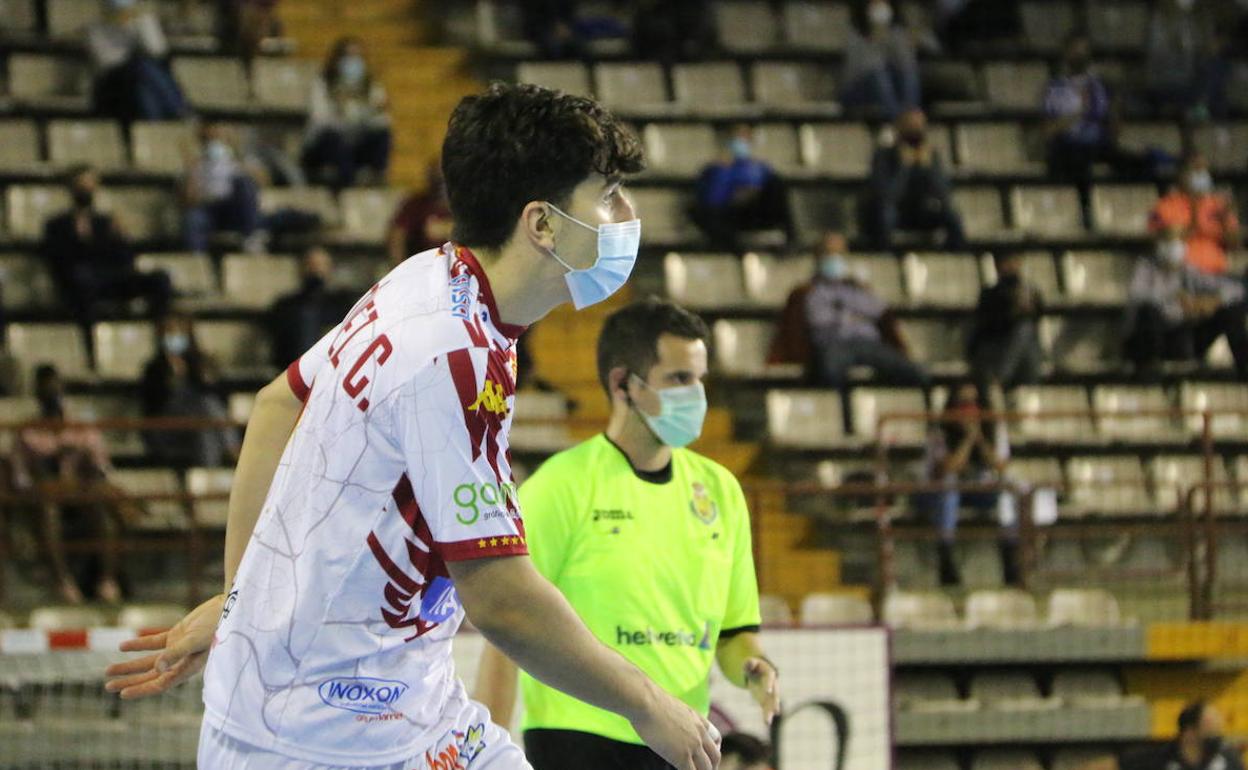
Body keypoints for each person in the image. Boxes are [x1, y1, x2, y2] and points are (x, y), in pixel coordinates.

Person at [105, 83, 722, 770]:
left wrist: (243, 602)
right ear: (542, 225)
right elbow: (501, 599)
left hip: (418, 710)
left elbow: (278, 404)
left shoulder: (432, 279)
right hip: (313, 741)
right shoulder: (450, 353)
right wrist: (646, 703)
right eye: (606, 194)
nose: (627, 214)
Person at [474, 298, 778, 770]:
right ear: (622, 384)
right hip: (577, 737)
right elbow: (511, 628)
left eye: (699, 379)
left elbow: (736, 633)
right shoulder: (560, 487)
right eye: (679, 379)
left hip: (684, 737)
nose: (696, 394)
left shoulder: (721, 492)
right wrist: (482, 751)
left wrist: (753, 667)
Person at [9, 365, 138, 604]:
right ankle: (63, 582)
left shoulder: (82, 428)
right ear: (37, 395)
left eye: (55, 389)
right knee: (49, 513)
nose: (52, 395)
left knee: (106, 515)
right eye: (46, 390)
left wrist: (84, 470)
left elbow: (103, 469)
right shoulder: (27, 432)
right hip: (46, 501)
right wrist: (44, 485)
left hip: (82, 498)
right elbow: (20, 480)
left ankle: (107, 582)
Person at [41, 165, 173, 367]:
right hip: (80, 283)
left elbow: (126, 260)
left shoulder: (106, 222)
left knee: (160, 279)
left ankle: (161, 344)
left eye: (90, 184)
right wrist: (79, 240)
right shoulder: (56, 224)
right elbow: (56, 261)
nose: (86, 189)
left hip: (112, 278)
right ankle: (92, 353)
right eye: (81, 184)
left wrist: (122, 237)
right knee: (81, 282)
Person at [769, 231, 927, 389]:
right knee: (829, 372)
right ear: (818, 257)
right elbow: (818, 321)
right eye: (829, 254)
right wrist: (854, 317)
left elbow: (879, 311)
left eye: (839, 254)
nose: (834, 259)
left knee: (914, 372)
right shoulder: (806, 293)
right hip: (833, 345)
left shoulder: (859, 288)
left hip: (868, 344)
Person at [921, 380, 1018, 587]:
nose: (969, 407)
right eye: (963, 402)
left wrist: (980, 438)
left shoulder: (993, 428)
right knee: (949, 488)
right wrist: (967, 439)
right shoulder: (940, 432)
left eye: (974, 402)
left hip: (980, 492)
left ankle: (1010, 558)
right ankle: (946, 556)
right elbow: (947, 468)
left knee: (1008, 488)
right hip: (943, 494)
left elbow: (1000, 466)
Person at [1125, 232, 1248, 380]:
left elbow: (1236, 290)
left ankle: (1244, 368)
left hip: (1184, 339)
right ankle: (1149, 372)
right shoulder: (1145, 268)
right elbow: (1139, 298)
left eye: (1179, 241)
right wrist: (1178, 302)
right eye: (1170, 240)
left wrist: (1212, 301)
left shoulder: (1187, 271)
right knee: (1148, 313)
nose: (1175, 247)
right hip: (1157, 339)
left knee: (1232, 310)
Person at [139, 314, 239, 467]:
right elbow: (151, 406)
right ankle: (232, 448)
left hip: (197, 424)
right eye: (169, 333)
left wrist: (205, 379)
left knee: (204, 428)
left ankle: (209, 478)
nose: (174, 338)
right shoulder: (153, 369)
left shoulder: (200, 364)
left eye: (178, 333)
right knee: (207, 406)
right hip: (167, 427)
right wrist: (171, 379)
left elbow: (223, 399)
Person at [863, 109, 966, 250]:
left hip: (920, 211)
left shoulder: (931, 155)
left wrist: (928, 168)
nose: (916, 131)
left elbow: (943, 194)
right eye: (911, 126)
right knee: (885, 215)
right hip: (895, 212)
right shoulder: (883, 156)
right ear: (899, 128)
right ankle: (885, 257)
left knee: (951, 215)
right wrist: (904, 166)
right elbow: (887, 196)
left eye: (919, 126)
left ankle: (956, 256)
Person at [301, 37, 393, 190]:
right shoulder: (323, 84)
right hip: (327, 145)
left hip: (356, 143)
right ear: (337, 59)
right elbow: (319, 121)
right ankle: (345, 187)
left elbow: (383, 120)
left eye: (357, 57)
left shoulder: (371, 86)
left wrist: (371, 111)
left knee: (382, 134)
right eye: (348, 57)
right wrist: (341, 110)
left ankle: (376, 179)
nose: (353, 63)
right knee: (334, 140)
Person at [692, 125, 790, 253]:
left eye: (745, 139)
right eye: (737, 138)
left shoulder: (762, 169)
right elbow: (710, 201)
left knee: (777, 185)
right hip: (728, 215)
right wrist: (732, 195)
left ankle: (787, 238)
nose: (741, 143)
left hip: (755, 214)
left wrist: (751, 194)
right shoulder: (713, 170)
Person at [87, 0, 190, 121]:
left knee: (144, 87)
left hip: (140, 80)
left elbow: (158, 50)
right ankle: (180, 109)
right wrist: (125, 34)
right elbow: (107, 63)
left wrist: (138, 26)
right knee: (141, 66)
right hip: (113, 84)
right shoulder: (95, 30)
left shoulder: (142, 21)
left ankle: (155, 125)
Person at [1077, 701, 1244, 770]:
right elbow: (1113, 765)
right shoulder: (1159, 758)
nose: (1216, 736)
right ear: (1189, 733)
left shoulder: (1228, 760)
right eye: (1210, 730)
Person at [181, 121, 267, 255]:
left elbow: (263, 181)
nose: (214, 137)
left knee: (243, 183)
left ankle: (251, 238)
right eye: (209, 136)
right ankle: (196, 263)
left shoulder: (239, 158)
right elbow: (188, 200)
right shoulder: (195, 163)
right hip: (209, 210)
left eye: (217, 133)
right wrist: (192, 171)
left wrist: (238, 161)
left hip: (234, 210)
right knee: (193, 219)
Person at [1149, 153, 1241, 277]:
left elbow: (1234, 245)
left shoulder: (1219, 204)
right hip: (1180, 274)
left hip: (1216, 272)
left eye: (1204, 170)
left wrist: (1225, 220)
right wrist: (1194, 210)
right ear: (1182, 175)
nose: (1202, 175)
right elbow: (1162, 241)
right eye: (1196, 170)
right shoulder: (1165, 205)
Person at [268, 246, 357, 369]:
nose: (315, 270)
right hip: (290, 370)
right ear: (300, 269)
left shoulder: (342, 305)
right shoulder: (285, 306)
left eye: (321, 265)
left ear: (330, 269)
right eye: (310, 264)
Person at [967, 253, 1044, 392]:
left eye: (1014, 262)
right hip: (996, 350)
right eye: (1006, 263)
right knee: (1023, 330)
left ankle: (1001, 379)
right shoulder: (990, 294)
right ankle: (1000, 379)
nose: (1010, 267)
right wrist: (1011, 311)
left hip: (1024, 358)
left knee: (1025, 329)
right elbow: (988, 327)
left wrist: (1027, 307)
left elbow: (1038, 320)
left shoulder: (1030, 293)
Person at [1145, 0, 1229, 120]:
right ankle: (1198, 109)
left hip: (1186, 77)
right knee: (1215, 70)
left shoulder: (1191, 22)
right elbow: (1164, 57)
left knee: (1219, 67)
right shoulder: (1160, 22)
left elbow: (1198, 51)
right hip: (1165, 81)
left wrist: (1208, 50)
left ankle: (1213, 121)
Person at [840, 0, 920, 119]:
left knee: (909, 76)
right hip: (858, 87)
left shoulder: (896, 31)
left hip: (890, 82)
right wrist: (876, 37)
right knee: (880, 78)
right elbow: (866, 68)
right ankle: (899, 122)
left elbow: (906, 63)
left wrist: (890, 36)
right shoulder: (855, 31)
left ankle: (911, 117)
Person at [388, 161, 454, 266]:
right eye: (436, 178)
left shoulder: (464, 205)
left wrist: (447, 228)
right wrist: (400, 267)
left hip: (459, 269)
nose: (441, 186)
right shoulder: (416, 203)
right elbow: (397, 234)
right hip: (423, 267)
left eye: (444, 179)